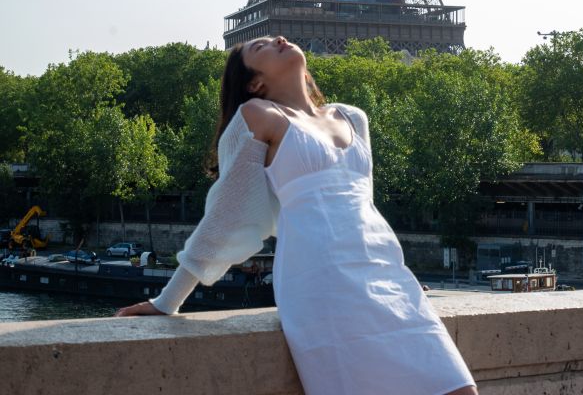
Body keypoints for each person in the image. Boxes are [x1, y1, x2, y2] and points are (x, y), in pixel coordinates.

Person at [115, 35, 477, 395]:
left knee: (458, 388)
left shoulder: (352, 116)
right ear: (255, 83)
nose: (279, 39)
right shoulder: (260, 115)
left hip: (385, 270)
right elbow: (226, 213)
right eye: (262, 47)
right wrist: (168, 301)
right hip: (323, 279)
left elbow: (363, 205)